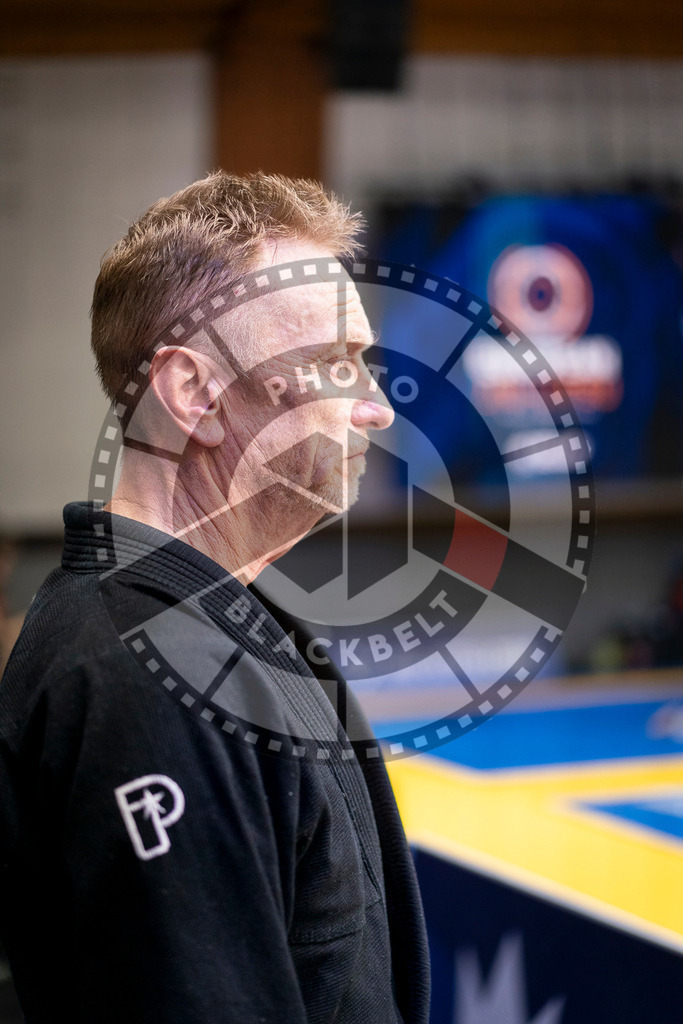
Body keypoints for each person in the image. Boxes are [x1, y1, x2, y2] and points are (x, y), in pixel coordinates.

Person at [0, 172, 430, 1023]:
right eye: (336, 364)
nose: (376, 408)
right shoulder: (147, 681)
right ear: (191, 394)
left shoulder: (204, 625)